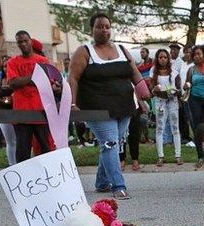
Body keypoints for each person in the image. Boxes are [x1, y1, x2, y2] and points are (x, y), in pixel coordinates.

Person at [69, 13, 149, 200]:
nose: (104, 30)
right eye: (99, 26)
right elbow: (73, 77)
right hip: (97, 108)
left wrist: (145, 95)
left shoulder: (121, 49)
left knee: (112, 144)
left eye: (107, 26)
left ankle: (102, 182)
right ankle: (118, 186)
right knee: (110, 144)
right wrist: (73, 104)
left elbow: (134, 73)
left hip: (124, 106)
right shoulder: (84, 51)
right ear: (92, 29)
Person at [7, 30, 53, 163]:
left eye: (25, 41)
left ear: (30, 41)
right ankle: (23, 178)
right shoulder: (13, 62)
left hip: (41, 109)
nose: (23, 44)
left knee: (46, 147)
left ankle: (49, 175)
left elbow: (47, 82)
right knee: (23, 149)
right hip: (21, 112)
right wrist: (34, 78)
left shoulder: (43, 61)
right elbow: (13, 83)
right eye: (19, 42)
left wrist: (23, 80)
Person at [150, 49, 183, 166]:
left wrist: (176, 91)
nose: (163, 59)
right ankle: (160, 156)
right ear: (157, 59)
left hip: (172, 101)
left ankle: (178, 155)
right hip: (160, 101)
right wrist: (155, 89)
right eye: (160, 57)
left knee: (175, 127)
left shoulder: (174, 72)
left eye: (165, 57)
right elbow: (151, 90)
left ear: (168, 59)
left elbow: (179, 89)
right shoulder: (153, 71)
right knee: (160, 128)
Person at [0, 57, 16, 166]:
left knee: (21, 141)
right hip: (4, 115)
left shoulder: (19, 80)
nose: (7, 68)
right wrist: (4, 101)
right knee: (11, 142)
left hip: (19, 113)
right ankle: (12, 164)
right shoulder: (0, 82)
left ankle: (22, 163)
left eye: (9, 65)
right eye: (5, 66)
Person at [120, 98, 148, 172]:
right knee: (121, 134)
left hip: (134, 105)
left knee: (134, 133)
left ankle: (135, 159)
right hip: (120, 104)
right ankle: (121, 159)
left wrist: (142, 104)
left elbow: (138, 90)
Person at [179, 45, 194, 146]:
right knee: (185, 117)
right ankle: (185, 137)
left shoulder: (194, 65)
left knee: (192, 117)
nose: (187, 54)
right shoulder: (183, 64)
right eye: (186, 52)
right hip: (183, 94)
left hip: (191, 94)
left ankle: (196, 137)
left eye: (189, 52)